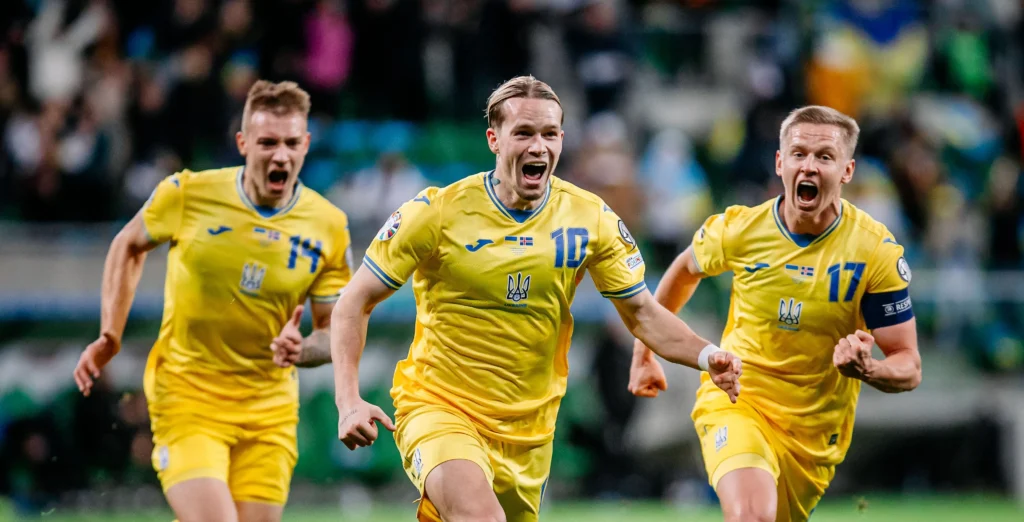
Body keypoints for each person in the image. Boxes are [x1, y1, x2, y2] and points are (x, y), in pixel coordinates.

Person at [329, 75, 743, 522]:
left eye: (549, 134)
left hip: (530, 434)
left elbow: (642, 312)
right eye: (523, 133)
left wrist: (707, 355)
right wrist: (348, 400)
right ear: (494, 138)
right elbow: (354, 301)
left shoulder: (590, 219)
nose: (538, 146)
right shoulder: (437, 212)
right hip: (439, 409)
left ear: (562, 140)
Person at [72, 80, 353, 522]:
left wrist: (304, 350)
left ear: (306, 145)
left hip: (269, 409)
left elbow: (331, 330)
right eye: (267, 142)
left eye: (291, 143)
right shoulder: (188, 194)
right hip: (187, 397)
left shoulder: (329, 225)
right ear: (243, 143)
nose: (281, 154)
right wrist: (110, 333)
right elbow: (127, 245)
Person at [630, 105, 922, 522]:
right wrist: (645, 352)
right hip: (737, 398)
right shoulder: (741, 229)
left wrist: (869, 370)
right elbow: (683, 271)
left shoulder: (874, 253)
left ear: (847, 171)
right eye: (799, 154)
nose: (809, 166)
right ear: (780, 162)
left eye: (824, 157)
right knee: (752, 515)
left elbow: (908, 365)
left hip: (813, 437)